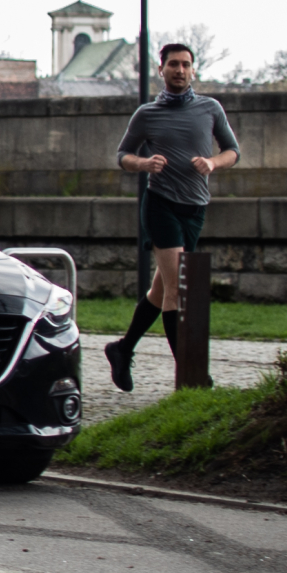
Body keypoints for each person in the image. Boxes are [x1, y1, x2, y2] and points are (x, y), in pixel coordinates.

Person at [102, 42, 241, 392]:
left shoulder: (210, 108)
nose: (180, 70)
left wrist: (212, 163)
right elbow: (123, 155)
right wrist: (144, 164)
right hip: (160, 203)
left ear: (193, 70)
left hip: (195, 207)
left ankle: (122, 349)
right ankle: (194, 377)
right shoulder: (146, 114)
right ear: (161, 69)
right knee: (178, 290)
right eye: (173, 65)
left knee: (161, 287)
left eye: (186, 65)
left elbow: (232, 151)